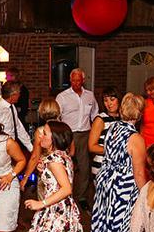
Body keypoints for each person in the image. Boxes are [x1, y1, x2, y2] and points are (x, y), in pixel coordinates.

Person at [89, 93, 146, 232]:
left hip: (106, 183)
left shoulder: (112, 127)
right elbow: (139, 172)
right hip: (123, 187)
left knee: (106, 228)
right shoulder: (136, 138)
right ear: (139, 114)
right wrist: (147, 195)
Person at [55, 68, 98, 209]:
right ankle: (64, 194)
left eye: (78, 80)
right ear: (70, 80)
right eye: (73, 80)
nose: (75, 83)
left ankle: (81, 196)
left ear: (83, 80)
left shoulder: (90, 96)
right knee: (66, 167)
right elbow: (57, 117)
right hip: (68, 135)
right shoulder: (62, 97)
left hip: (85, 134)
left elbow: (95, 115)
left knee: (85, 168)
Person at [21, 98, 61, 190]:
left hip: (47, 169)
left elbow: (35, 156)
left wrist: (26, 177)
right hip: (64, 167)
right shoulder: (66, 128)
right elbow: (72, 151)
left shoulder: (41, 131)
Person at [87, 87, 120, 178]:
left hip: (117, 166)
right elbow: (92, 147)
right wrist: (115, 151)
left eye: (112, 99)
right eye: (105, 100)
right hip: (102, 165)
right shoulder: (100, 119)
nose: (109, 103)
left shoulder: (123, 118)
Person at [0, 80, 33, 153]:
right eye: (18, 93)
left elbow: (18, 127)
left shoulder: (12, 106)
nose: (19, 95)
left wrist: (31, 148)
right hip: (1, 149)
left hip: (12, 147)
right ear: (12, 95)